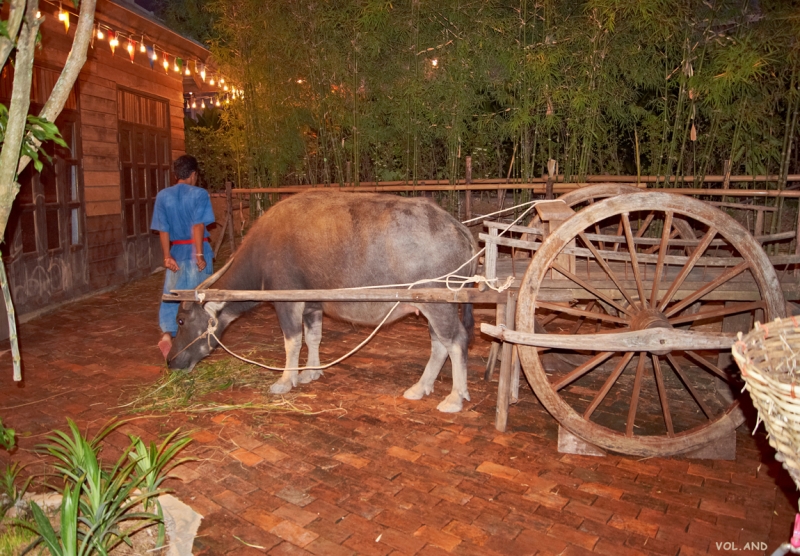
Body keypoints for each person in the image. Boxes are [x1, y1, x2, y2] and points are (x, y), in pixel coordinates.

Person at [151, 155, 215, 358]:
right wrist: (198, 254)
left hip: (176, 254)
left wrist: (167, 256)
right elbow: (198, 225)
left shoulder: (163, 196)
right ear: (193, 174)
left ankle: (167, 336)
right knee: (200, 298)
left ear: (176, 174)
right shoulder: (200, 194)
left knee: (172, 297)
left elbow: (163, 229)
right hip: (198, 252)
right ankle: (198, 339)